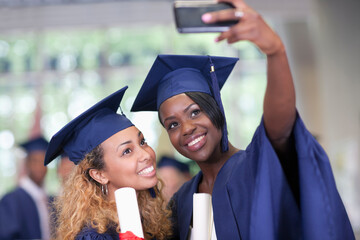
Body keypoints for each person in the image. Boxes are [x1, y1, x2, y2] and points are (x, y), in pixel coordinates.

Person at [130, 0, 355, 239]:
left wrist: (275, 52)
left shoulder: (255, 167)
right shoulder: (182, 200)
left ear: (216, 107)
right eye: (172, 124)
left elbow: (279, 129)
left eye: (195, 111)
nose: (186, 128)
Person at [44, 86, 172, 240]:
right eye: (127, 151)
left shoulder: (150, 221)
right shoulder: (95, 236)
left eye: (142, 141)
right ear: (99, 174)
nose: (145, 154)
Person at [0, 136, 51, 240]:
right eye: (35, 161)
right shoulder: (11, 200)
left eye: (44, 162)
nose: (40, 167)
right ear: (27, 164)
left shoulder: (50, 200)